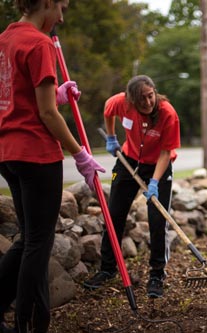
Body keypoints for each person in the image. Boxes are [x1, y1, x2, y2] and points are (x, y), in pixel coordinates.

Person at [0, 1, 105, 332]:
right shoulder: (39, 42)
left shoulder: (5, 39)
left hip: (8, 153)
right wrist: (80, 154)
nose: (61, 16)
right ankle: (30, 325)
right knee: (38, 243)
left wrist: (56, 95)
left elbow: (18, 97)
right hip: (35, 154)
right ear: (45, 2)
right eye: (60, 7)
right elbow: (46, 115)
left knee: (29, 238)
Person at [83, 75, 180, 299]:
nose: (147, 102)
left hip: (158, 165)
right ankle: (107, 269)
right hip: (128, 160)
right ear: (130, 100)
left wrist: (154, 182)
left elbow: (166, 152)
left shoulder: (168, 113)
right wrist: (111, 137)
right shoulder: (120, 102)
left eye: (150, 96)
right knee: (113, 214)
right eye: (141, 99)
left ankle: (157, 275)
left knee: (157, 220)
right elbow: (108, 111)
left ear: (155, 92)